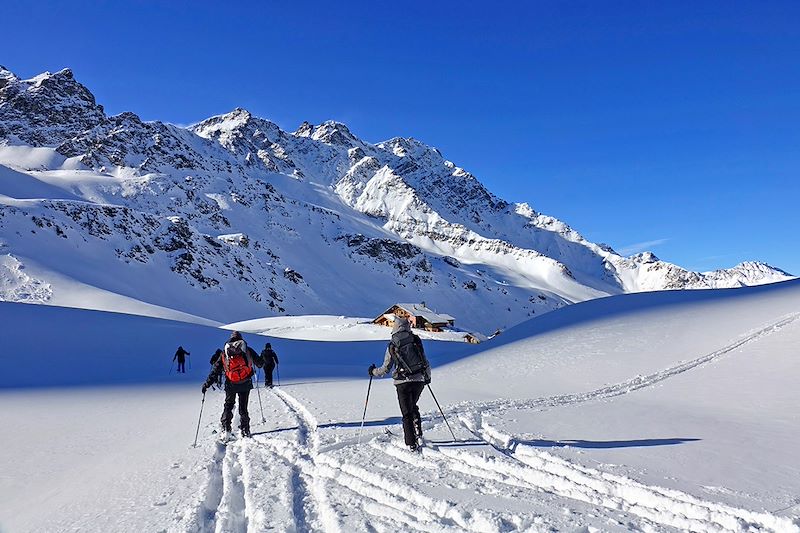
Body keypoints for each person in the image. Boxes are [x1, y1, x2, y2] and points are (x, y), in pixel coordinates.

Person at [368, 317, 431, 451]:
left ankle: (411, 443)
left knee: (406, 412)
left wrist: (373, 371)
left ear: (395, 327)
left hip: (402, 382)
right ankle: (418, 432)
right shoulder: (416, 340)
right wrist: (427, 377)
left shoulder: (393, 344)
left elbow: (386, 368)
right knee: (413, 406)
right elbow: (424, 360)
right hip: (419, 380)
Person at [202, 331, 263, 439]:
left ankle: (226, 429)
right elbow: (260, 364)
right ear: (241, 339)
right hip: (245, 383)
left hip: (231, 383)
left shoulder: (225, 353)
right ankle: (245, 430)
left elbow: (215, 370)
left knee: (229, 405)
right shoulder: (247, 350)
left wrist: (207, 383)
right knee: (243, 407)